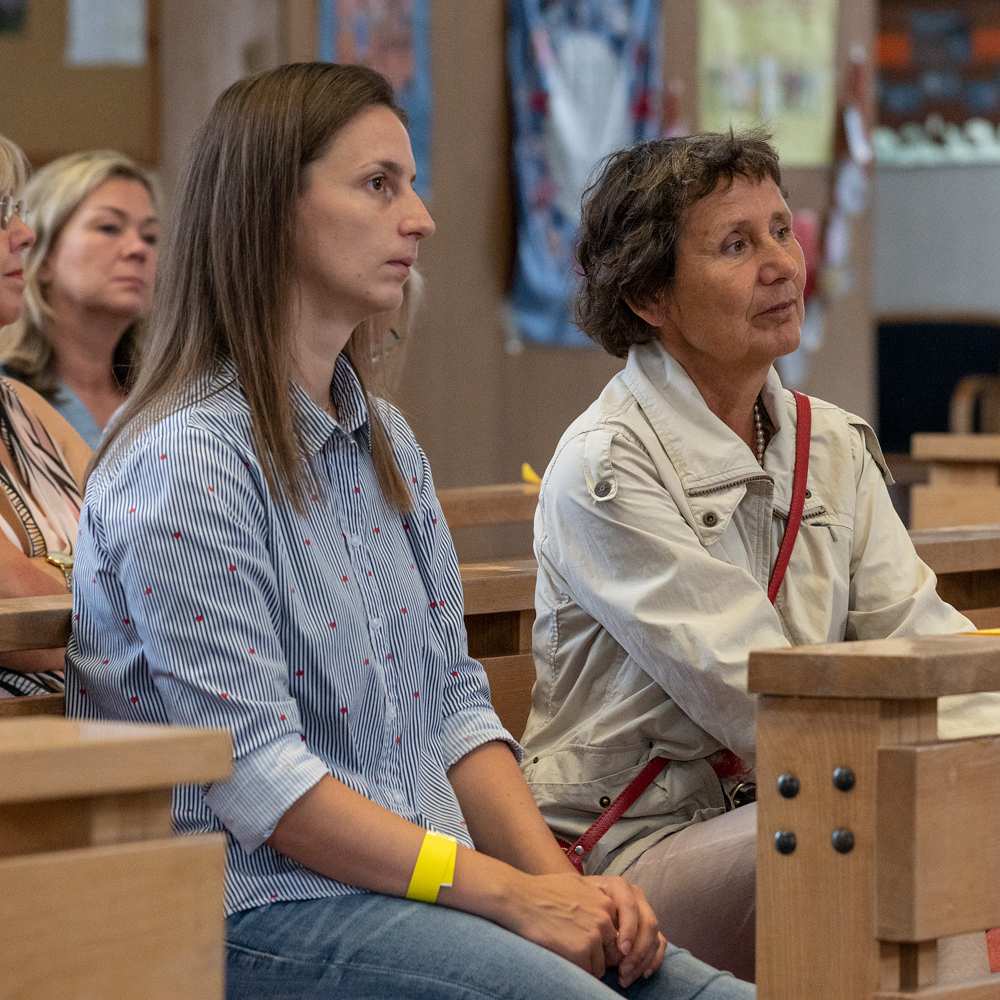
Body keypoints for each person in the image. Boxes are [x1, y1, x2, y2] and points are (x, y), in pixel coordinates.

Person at [64, 64, 752, 1000]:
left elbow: (454, 710)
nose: (420, 219)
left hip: (415, 892)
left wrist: (560, 888)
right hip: (251, 911)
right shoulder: (187, 458)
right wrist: (509, 895)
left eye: (411, 185)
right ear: (271, 208)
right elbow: (260, 780)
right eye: (379, 184)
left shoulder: (383, 441)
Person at [520, 130, 998, 983]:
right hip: (628, 856)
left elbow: (923, 641)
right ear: (648, 296)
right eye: (736, 245)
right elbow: (760, 692)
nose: (782, 264)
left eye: (782, 229)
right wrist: (938, 772)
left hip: (807, 800)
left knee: (933, 807)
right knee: (898, 824)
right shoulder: (606, 465)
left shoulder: (832, 443)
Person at [0, 133, 90, 695]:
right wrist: (80, 573)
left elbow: (159, 575)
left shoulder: (24, 407)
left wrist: (47, 573)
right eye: (0, 211)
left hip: (106, 735)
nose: (25, 233)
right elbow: (30, 629)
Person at [0, 150, 159, 448]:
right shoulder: (7, 393)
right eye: (109, 227)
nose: (139, 249)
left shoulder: (168, 397)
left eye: (150, 236)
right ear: (43, 254)